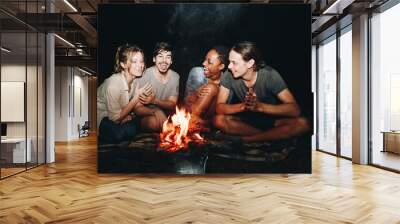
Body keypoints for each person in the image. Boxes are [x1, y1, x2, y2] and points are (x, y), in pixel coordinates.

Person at [213, 41, 309, 143]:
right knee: (218, 120)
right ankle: (271, 136)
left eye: (234, 63)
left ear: (250, 63)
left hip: (272, 121)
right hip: (245, 121)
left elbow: (294, 110)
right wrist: (243, 106)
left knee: (303, 124)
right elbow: (219, 108)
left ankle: (246, 139)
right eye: (229, 61)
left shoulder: (270, 75)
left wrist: (259, 107)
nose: (229, 66)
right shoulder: (229, 75)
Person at [97, 44, 152, 144]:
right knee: (119, 134)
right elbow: (115, 119)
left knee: (133, 127)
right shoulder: (113, 84)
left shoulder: (135, 82)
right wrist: (136, 98)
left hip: (117, 115)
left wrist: (153, 109)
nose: (140, 65)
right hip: (100, 117)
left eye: (141, 61)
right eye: (134, 61)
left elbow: (136, 107)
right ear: (123, 64)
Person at [135, 42, 179, 132]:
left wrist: (154, 100)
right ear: (154, 59)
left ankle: (168, 129)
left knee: (181, 120)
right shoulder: (145, 75)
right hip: (147, 114)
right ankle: (168, 129)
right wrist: (156, 111)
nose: (164, 60)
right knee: (153, 123)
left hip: (167, 115)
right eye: (160, 56)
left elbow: (172, 104)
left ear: (171, 61)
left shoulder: (175, 76)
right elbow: (137, 109)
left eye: (168, 57)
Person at [184, 46, 229, 127]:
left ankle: (196, 125)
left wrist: (215, 90)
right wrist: (197, 93)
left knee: (212, 88)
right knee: (211, 88)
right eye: (205, 59)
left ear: (221, 66)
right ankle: (190, 124)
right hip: (190, 113)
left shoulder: (227, 81)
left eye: (209, 62)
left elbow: (223, 112)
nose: (204, 63)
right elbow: (187, 102)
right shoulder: (197, 73)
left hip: (211, 120)